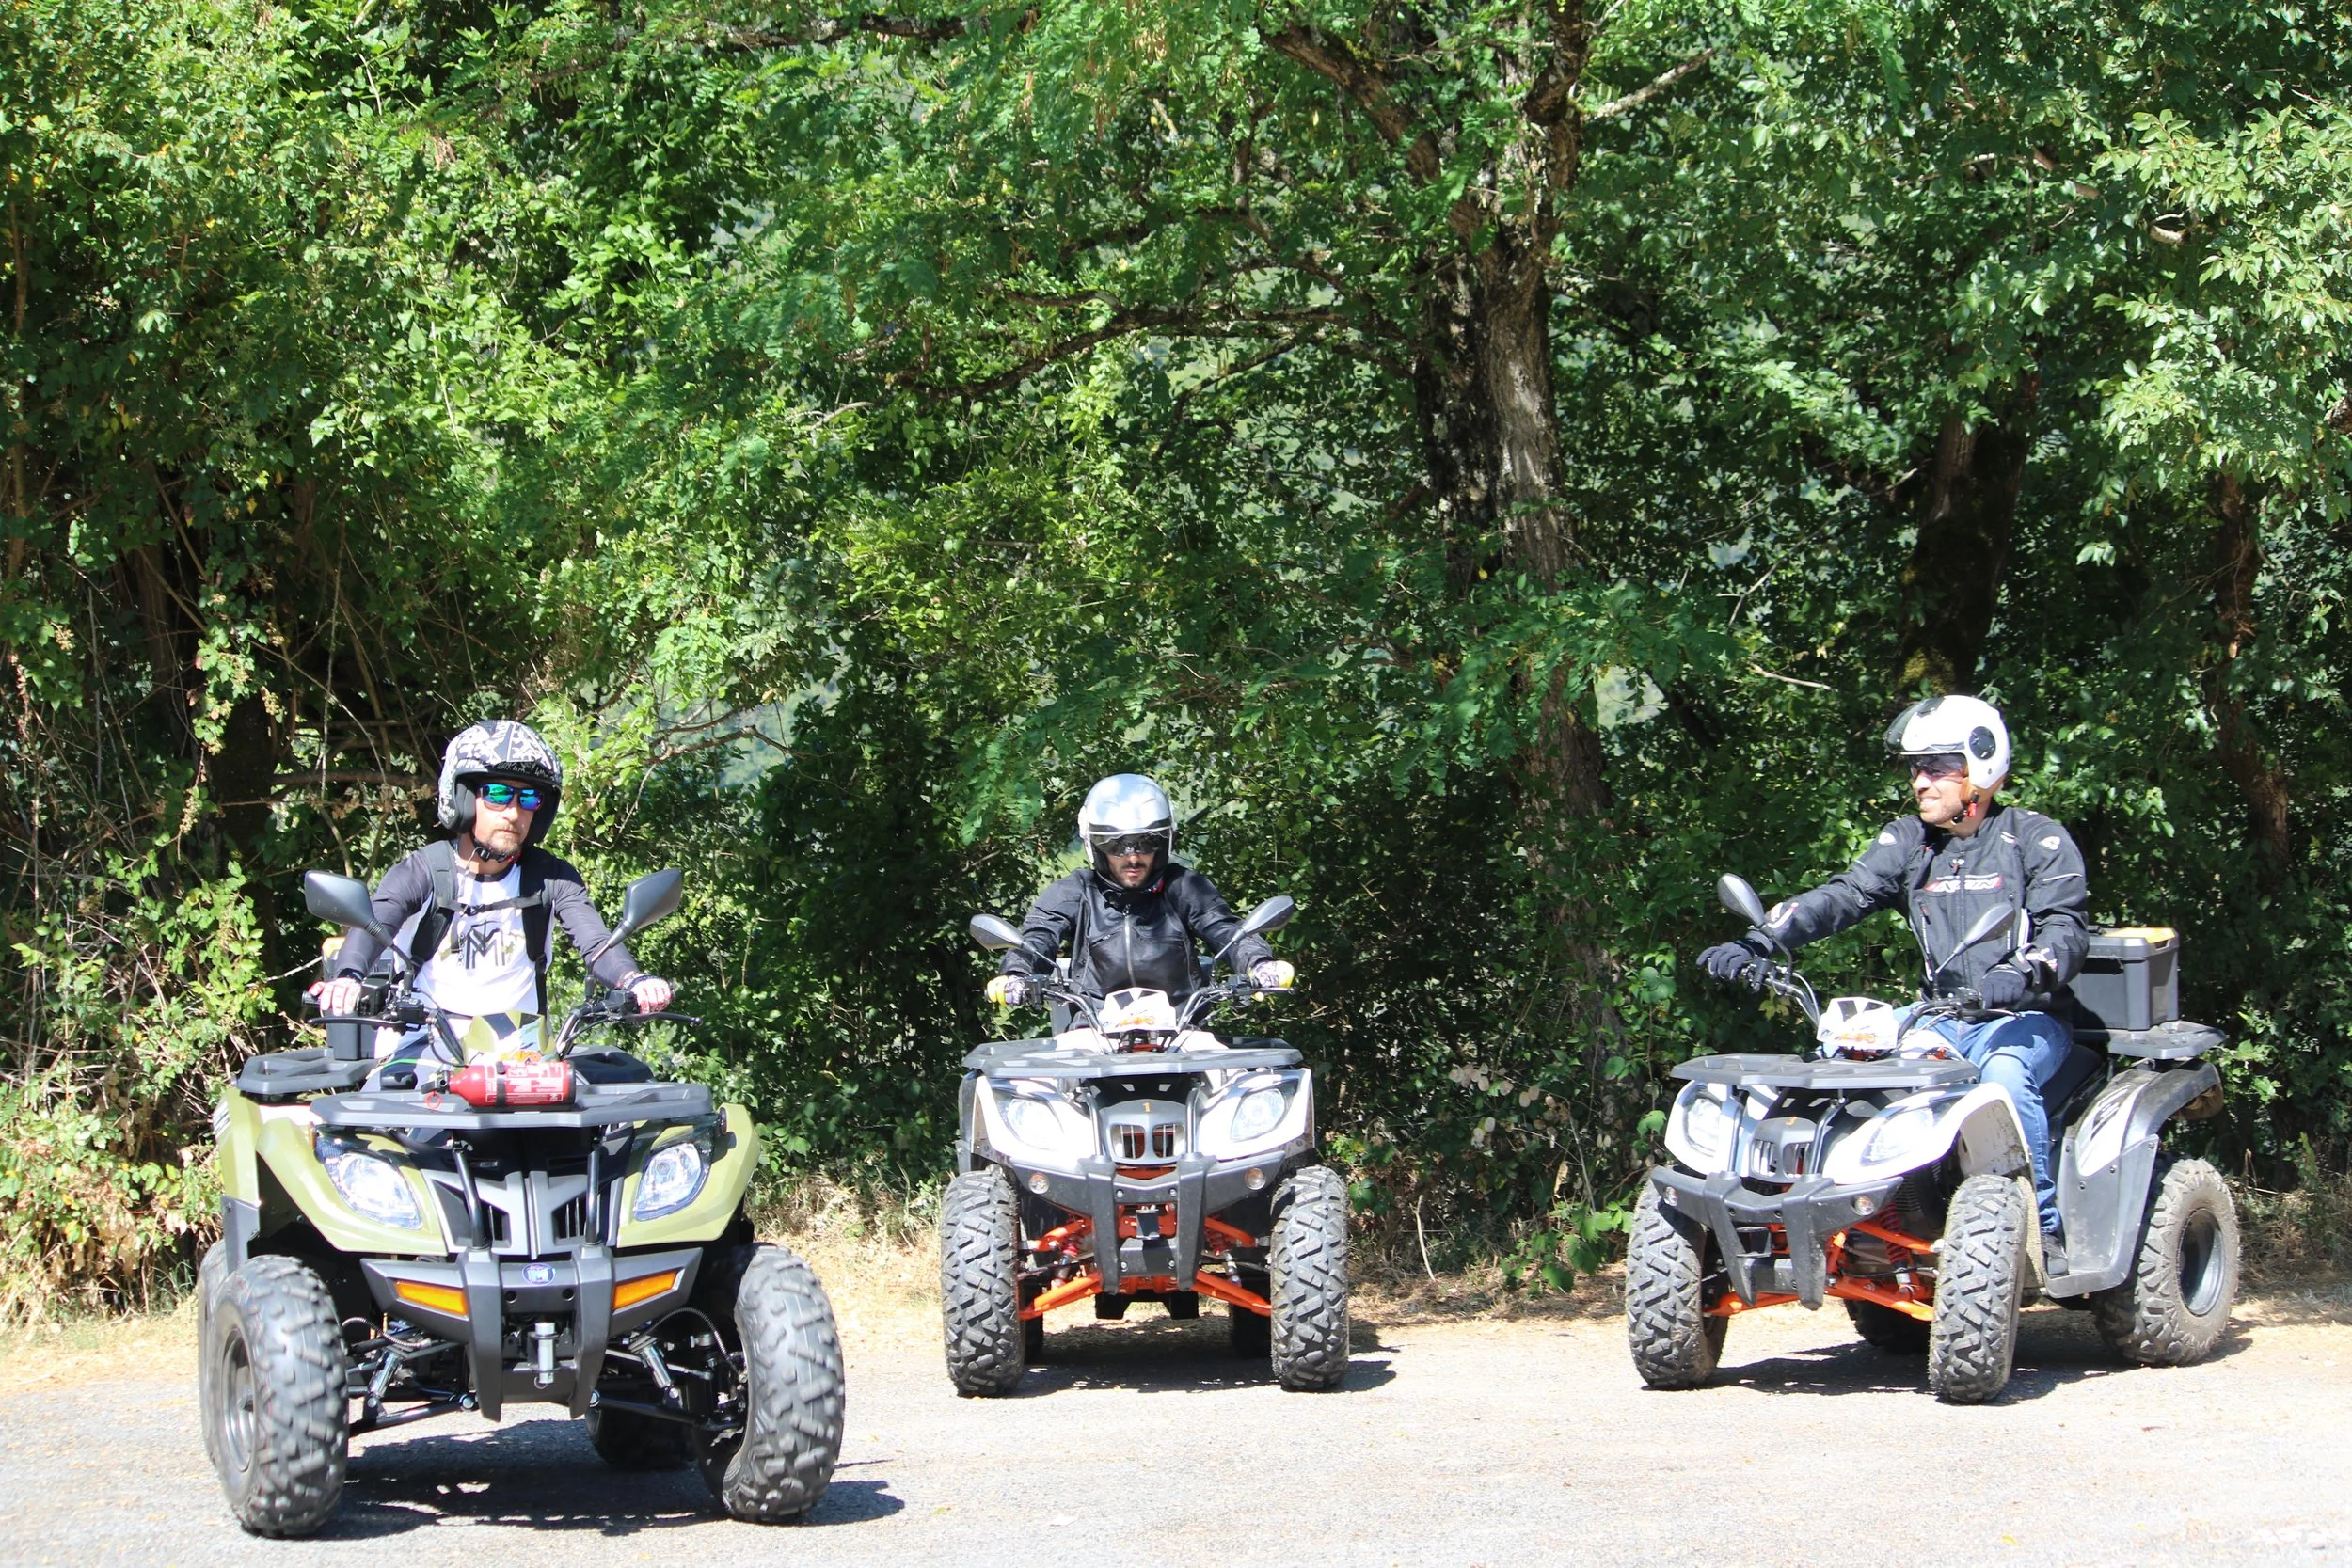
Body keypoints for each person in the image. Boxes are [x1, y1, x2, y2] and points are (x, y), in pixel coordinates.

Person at [1696, 696, 2090, 1248]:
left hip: (2025, 1019)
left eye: (1936, 767)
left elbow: (2065, 933)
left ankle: (2038, 1227)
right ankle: (1842, 1220)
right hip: (1942, 1018)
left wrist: (2022, 974)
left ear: (1980, 767)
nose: (1921, 782)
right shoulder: (1911, 842)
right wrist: (1758, 941)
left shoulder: (2035, 838)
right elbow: (1844, 895)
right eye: (1915, 769)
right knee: (1842, 1058)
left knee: (2002, 1072)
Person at [308, 720, 670, 1071]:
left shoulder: (550, 877)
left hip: (522, 1055)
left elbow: (597, 943)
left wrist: (633, 981)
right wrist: (349, 977)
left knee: (604, 1115)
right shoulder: (423, 871)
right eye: (497, 794)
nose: (513, 812)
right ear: (465, 799)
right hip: (425, 1046)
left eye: (528, 797)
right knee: (387, 1126)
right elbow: (378, 919)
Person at [986, 773, 1293, 1027]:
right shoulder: (1076, 890)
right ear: (1096, 846)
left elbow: (1225, 930)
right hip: (1092, 1028)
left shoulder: (1184, 886)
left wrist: (1259, 962)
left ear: (1162, 843)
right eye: (1116, 845)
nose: (1132, 857)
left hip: (1182, 1026)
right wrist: (1016, 974)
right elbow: (1038, 936)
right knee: (1040, 1094)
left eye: (1145, 843)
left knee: (1244, 1085)